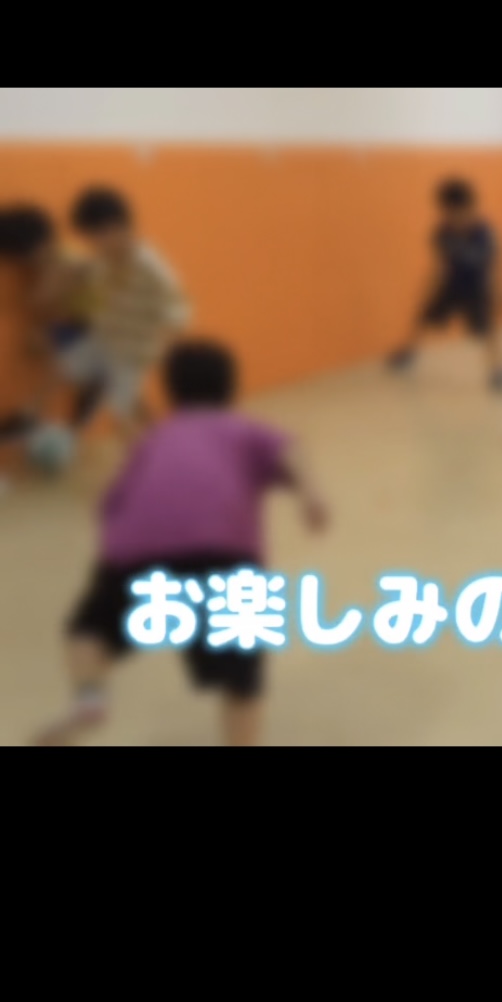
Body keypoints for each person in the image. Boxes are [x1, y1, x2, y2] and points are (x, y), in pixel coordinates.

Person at [33, 340, 328, 747]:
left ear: (170, 391)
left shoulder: (154, 438)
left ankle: (90, 698)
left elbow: (108, 504)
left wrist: (117, 551)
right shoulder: (241, 429)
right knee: (241, 678)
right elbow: (288, 447)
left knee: (88, 632)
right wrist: (311, 494)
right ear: (231, 387)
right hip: (223, 553)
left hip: (135, 555)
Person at [70, 188, 189, 444]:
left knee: (120, 414)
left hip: (135, 350)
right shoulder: (102, 260)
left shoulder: (152, 267)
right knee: (128, 400)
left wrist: (164, 350)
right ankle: (165, 442)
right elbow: (95, 297)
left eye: (95, 236)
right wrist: (80, 304)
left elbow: (178, 313)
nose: (92, 244)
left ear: (115, 228)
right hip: (109, 342)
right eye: (89, 238)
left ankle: (143, 461)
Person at [387, 180, 502, 393]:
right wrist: (429, 289)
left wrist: (497, 291)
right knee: (424, 316)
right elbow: (440, 265)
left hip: (477, 288)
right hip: (451, 284)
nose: (456, 219)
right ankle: (407, 353)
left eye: (461, 213)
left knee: (488, 329)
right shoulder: (442, 233)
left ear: (471, 208)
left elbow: (496, 265)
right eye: (449, 214)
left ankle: (498, 370)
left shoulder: (485, 233)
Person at [0, 205, 105, 446]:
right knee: (52, 344)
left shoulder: (71, 263)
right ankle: (32, 416)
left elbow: (50, 301)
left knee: (60, 347)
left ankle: (30, 416)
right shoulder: (52, 261)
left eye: (20, 258)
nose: (21, 265)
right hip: (83, 322)